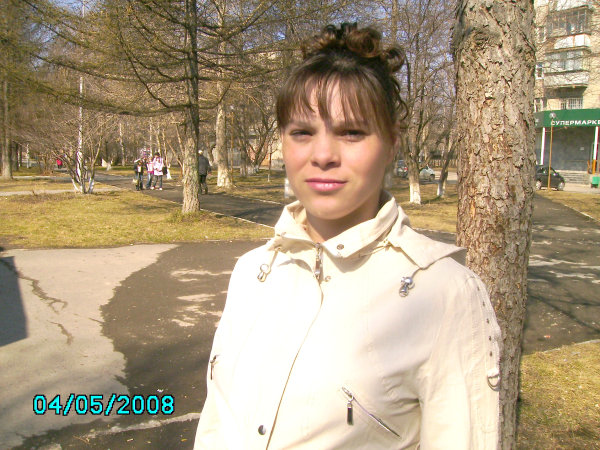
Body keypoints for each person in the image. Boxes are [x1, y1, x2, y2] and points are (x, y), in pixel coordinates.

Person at [194, 23, 501, 449]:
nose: (323, 155)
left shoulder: (444, 294)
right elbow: (216, 426)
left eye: (352, 132)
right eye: (302, 132)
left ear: (391, 143)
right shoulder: (253, 273)